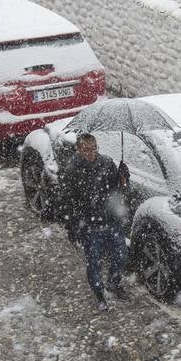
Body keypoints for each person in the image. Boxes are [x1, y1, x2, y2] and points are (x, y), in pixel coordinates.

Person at [61, 132, 131, 310]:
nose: (91, 152)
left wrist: (124, 177)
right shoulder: (72, 169)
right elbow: (67, 201)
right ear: (78, 149)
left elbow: (119, 190)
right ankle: (99, 293)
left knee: (121, 255)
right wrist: (72, 225)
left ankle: (113, 284)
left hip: (111, 220)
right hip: (90, 225)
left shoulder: (107, 163)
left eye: (94, 148)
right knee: (94, 262)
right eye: (86, 149)